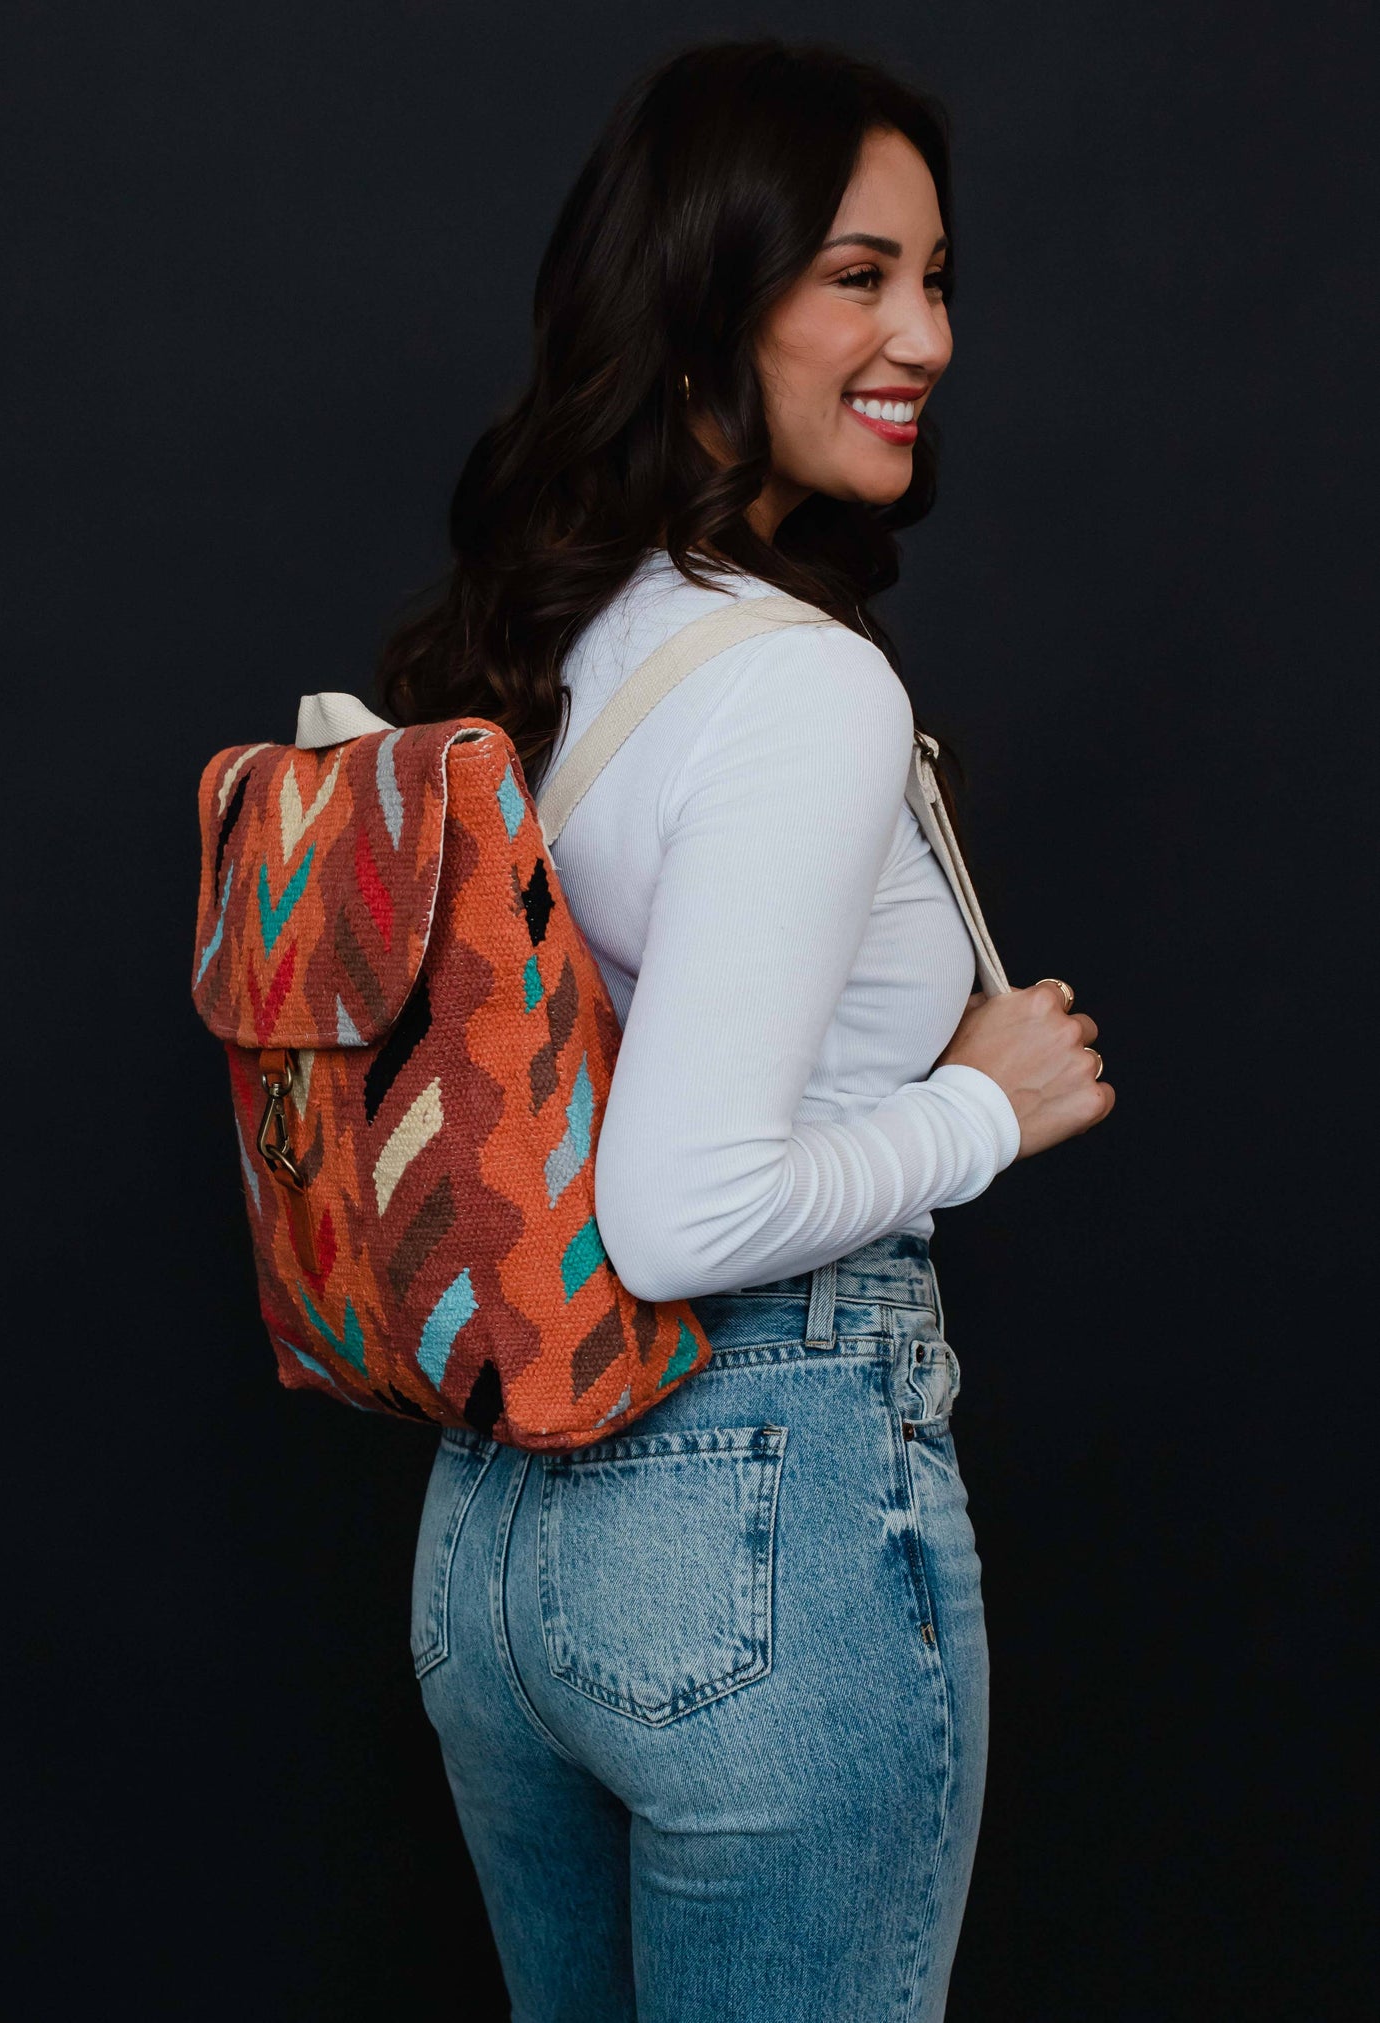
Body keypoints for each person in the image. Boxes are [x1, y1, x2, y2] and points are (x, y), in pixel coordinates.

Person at [378, 37, 1114, 2023]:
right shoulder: (802, 688)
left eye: (937, 277)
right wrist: (980, 1106)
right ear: (710, 302)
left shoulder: (548, 636)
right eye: (859, 274)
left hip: (501, 1547)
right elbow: (682, 1210)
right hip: (753, 1505)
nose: (928, 333)